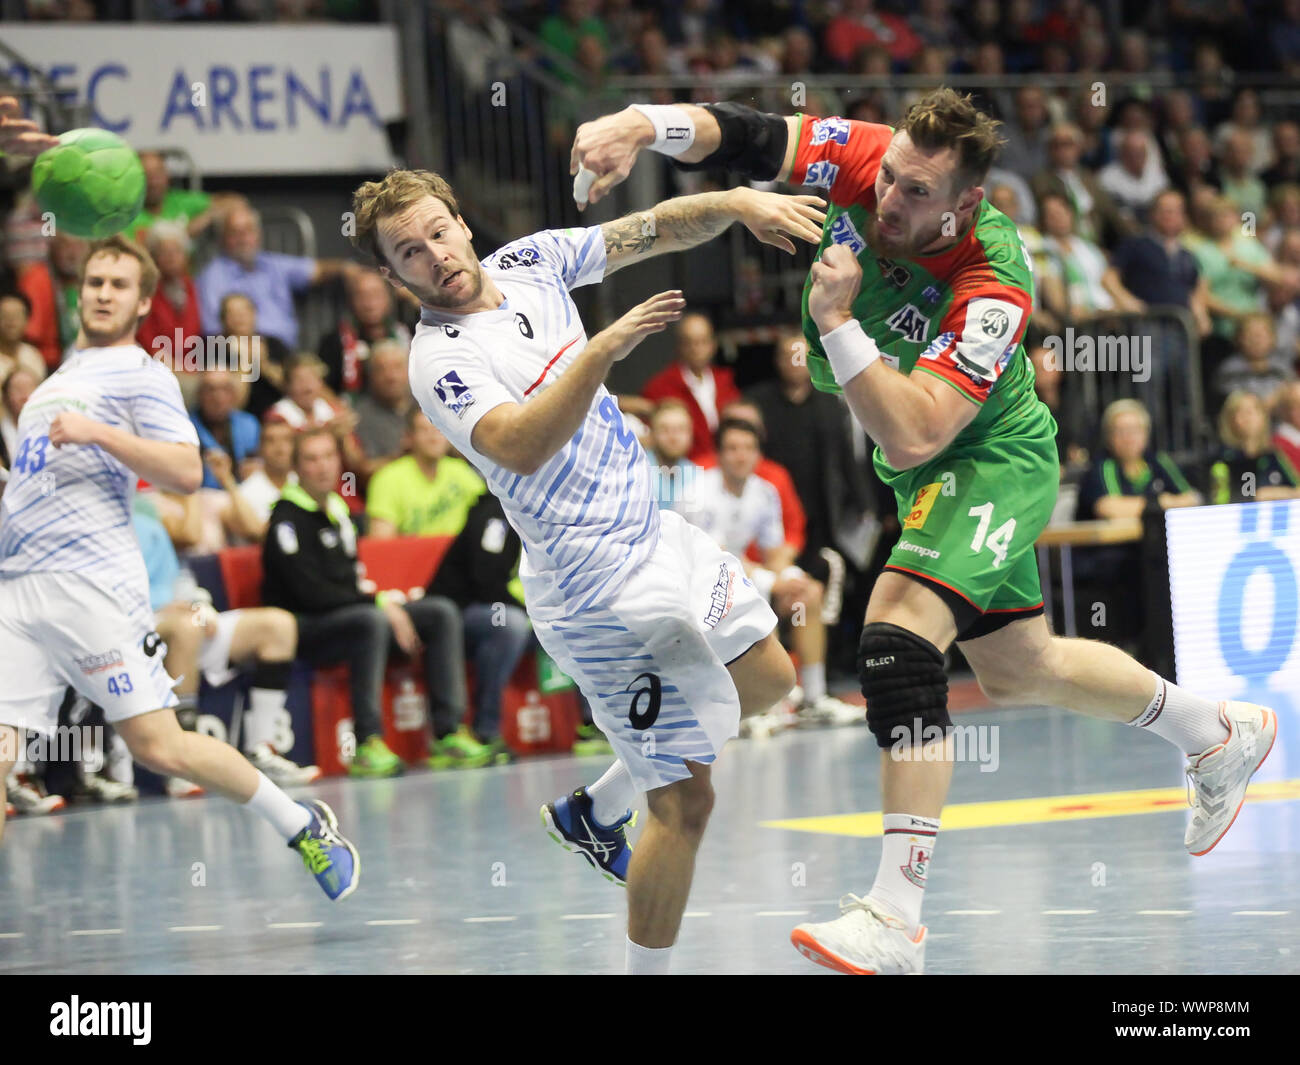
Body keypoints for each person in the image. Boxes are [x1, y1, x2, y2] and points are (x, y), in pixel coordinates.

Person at [571, 87, 1280, 975]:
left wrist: (833, 322)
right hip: (922, 469)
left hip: (987, 457)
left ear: (966, 204)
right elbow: (750, 134)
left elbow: (917, 428)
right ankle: (1214, 729)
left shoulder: (993, 283)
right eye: (892, 179)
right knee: (1023, 667)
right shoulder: (874, 160)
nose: (887, 201)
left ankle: (895, 916)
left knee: (898, 641)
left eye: (915, 194)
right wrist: (644, 123)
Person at [351, 167, 818, 972]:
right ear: (394, 279)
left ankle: (596, 809)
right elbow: (519, 443)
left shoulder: (531, 262)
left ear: (462, 222)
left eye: (437, 230)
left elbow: (652, 228)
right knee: (684, 800)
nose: (433, 253)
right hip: (596, 593)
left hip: (657, 537)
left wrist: (737, 205)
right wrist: (600, 352)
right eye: (408, 252)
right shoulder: (439, 362)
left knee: (771, 680)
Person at [0, 232, 357, 897]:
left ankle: (298, 821)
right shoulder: (52, 383)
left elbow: (189, 471)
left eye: (119, 284)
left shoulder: (142, 372)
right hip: (17, 590)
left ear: (139, 303)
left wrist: (99, 433)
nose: (103, 292)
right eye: (96, 281)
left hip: (93, 588)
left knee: (159, 746)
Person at [262, 427, 490, 774]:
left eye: (328, 457)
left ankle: (448, 733)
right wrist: (380, 605)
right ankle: (368, 742)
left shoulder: (339, 510)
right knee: (372, 621)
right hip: (303, 627)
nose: (322, 467)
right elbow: (312, 594)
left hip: (349, 614)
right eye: (311, 459)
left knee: (440, 612)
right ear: (297, 467)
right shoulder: (287, 518)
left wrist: (381, 602)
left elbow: (350, 582)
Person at [694, 418, 860, 727]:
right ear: (718, 455)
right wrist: (773, 582)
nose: (740, 456)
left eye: (748, 448)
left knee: (806, 595)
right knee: (751, 598)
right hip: (696, 586)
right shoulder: (700, 490)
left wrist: (791, 579)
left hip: (739, 577)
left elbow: (775, 552)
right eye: (732, 449)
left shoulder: (765, 491)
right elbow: (716, 558)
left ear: (759, 455)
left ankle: (813, 698)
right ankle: (749, 708)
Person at [426, 490, 533, 761]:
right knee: (510, 625)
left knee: (570, 621)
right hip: (459, 611)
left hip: (493, 607)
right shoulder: (496, 513)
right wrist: (529, 611)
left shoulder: (535, 511)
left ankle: (592, 725)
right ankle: (485, 731)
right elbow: (486, 579)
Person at [197, 203, 359, 350]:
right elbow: (213, 332)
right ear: (222, 239)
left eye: (248, 231)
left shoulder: (272, 264)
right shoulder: (212, 277)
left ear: (258, 234)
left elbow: (318, 270)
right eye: (235, 233)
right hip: (241, 354)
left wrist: (350, 269)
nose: (243, 239)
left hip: (286, 352)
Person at [638, 313, 741, 464]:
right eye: (689, 342)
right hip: (681, 470)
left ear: (713, 344)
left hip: (725, 469)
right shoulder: (660, 387)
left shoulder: (726, 383)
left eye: (702, 341)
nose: (696, 348)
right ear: (679, 346)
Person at [365, 409, 484, 538]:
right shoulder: (387, 479)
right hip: (414, 557)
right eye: (424, 430)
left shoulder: (460, 470)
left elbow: (489, 512)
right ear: (409, 437)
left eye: (438, 429)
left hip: (460, 555)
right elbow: (382, 544)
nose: (433, 437)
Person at [317, 269, 414, 397]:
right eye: (362, 296)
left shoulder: (411, 333)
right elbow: (321, 387)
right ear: (351, 301)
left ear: (389, 298)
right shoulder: (334, 342)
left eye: (376, 294)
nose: (369, 303)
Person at [1207, 391, 1300, 504]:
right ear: (1230, 419)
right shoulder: (1225, 460)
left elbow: (1296, 489)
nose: (1249, 417)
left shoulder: (1272, 456)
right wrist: (1261, 495)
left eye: (1254, 410)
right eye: (1242, 412)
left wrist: (1270, 493)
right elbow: (1230, 499)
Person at [351, 339, 416, 468]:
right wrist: (407, 454)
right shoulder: (360, 417)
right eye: (382, 369)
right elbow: (363, 470)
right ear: (371, 376)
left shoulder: (428, 405)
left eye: (397, 367)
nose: (391, 377)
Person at [0, 292, 46, 382]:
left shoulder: (33, 355)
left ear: (27, 320)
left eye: (16, 316)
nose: (11, 321)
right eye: (5, 315)